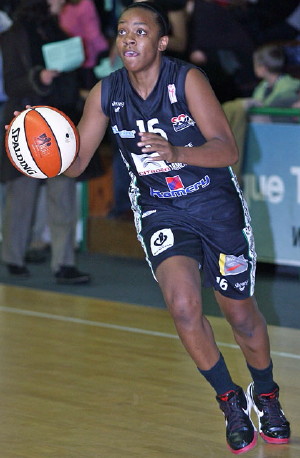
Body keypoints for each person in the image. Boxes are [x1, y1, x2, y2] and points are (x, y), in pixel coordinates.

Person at [62, 2, 292, 453]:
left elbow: (226, 151)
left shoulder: (187, 80)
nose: (129, 39)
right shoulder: (105, 93)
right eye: (123, 31)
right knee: (184, 307)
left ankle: (265, 395)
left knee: (241, 316)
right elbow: (75, 166)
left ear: (162, 42)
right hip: (160, 210)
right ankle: (229, 401)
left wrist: (177, 153)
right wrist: (44, 154)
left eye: (140, 31)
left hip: (213, 205)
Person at [0, 0, 90, 284]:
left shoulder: (53, 29)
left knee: (61, 190)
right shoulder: (18, 33)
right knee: (23, 193)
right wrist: (40, 77)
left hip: (56, 119)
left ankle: (63, 263)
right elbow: (13, 84)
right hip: (29, 121)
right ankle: (13, 257)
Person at [223, 43, 300, 181]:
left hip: (282, 143)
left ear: (262, 68)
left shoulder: (290, 86)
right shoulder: (262, 86)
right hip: (264, 143)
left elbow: (275, 108)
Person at [59, 0, 109, 91]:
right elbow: (93, 34)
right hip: (89, 57)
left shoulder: (63, 6)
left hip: (72, 59)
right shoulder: (85, 4)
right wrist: (106, 50)